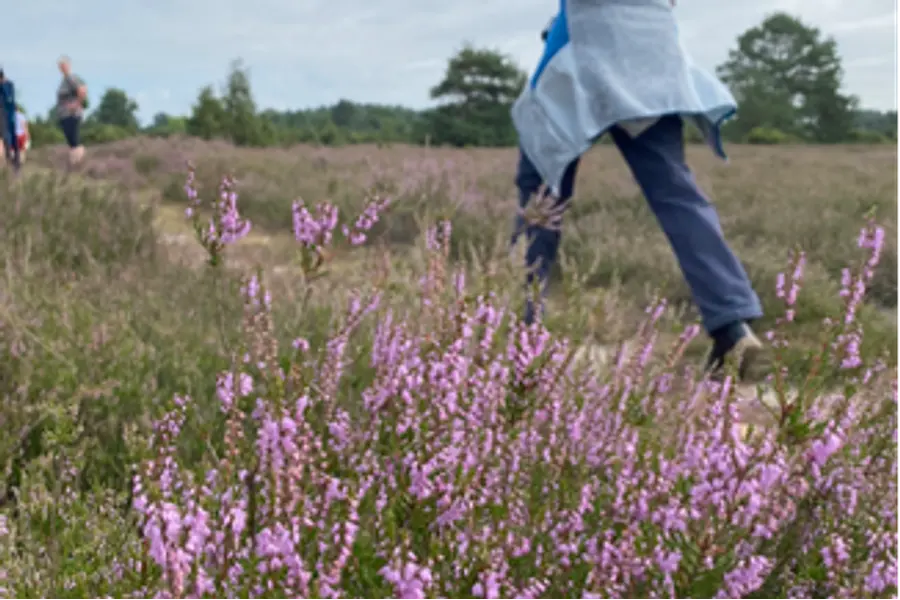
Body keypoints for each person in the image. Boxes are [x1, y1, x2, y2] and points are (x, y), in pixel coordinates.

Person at [510, 0, 764, 380]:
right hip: (651, 56)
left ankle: (526, 329)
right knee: (676, 193)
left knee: (542, 187)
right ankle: (732, 325)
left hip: (582, 51)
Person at [56, 56, 87, 169]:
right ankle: (74, 163)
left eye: (63, 65)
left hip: (71, 114)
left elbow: (82, 89)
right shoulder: (64, 80)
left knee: (74, 141)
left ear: (68, 65)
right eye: (60, 66)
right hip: (64, 115)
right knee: (71, 141)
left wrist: (77, 104)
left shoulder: (71, 78)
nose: (61, 68)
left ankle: (77, 163)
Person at [0, 68, 19, 170]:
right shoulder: (8, 85)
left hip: (7, 116)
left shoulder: (8, 86)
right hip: (8, 117)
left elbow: (9, 99)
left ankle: (12, 164)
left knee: (8, 140)